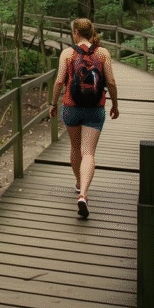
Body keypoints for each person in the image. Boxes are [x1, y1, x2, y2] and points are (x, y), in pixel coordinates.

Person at [49, 18, 119, 218]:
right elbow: (111, 81)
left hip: (71, 107)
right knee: (88, 152)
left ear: (76, 34)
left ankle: (79, 182)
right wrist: (115, 103)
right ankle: (83, 194)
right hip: (95, 109)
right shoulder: (103, 53)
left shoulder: (67, 53)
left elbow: (59, 81)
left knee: (75, 148)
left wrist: (53, 104)